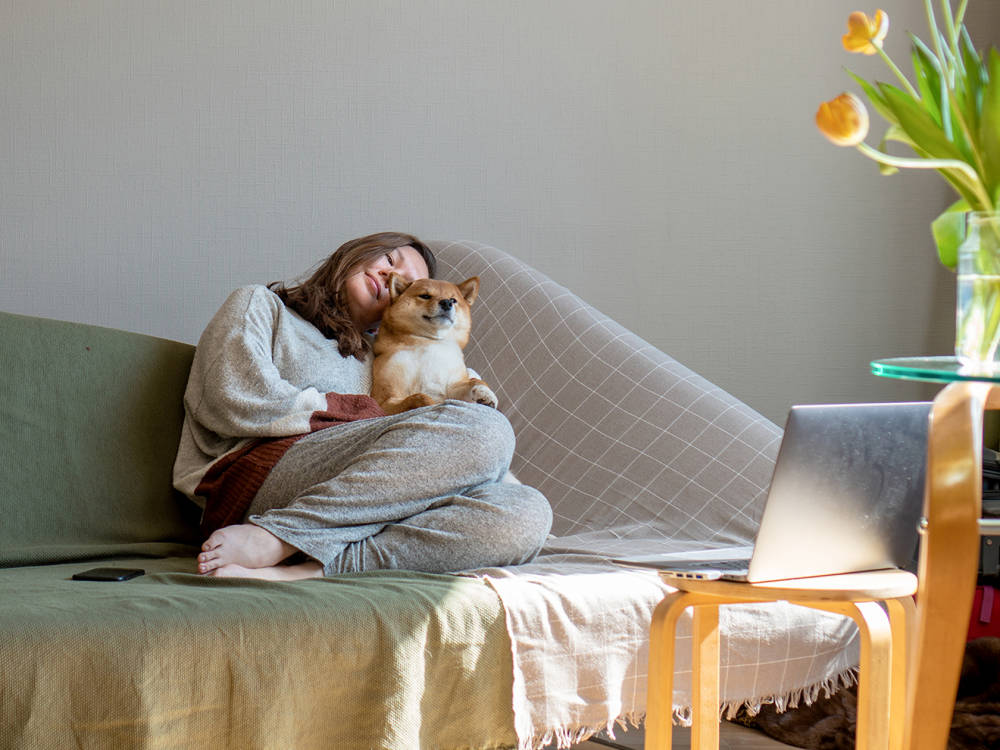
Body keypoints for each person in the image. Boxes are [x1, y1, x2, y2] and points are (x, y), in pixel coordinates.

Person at [172, 231, 552, 580]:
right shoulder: (263, 306)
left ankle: (313, 565)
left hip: (380, 494)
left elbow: (459, 421)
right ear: (356, 253)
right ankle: (280, 533)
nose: (390, 276)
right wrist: (369, 413)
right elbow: (231, 396)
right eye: (389, 259)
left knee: (528, 511)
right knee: (486, 430)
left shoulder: (394, 354)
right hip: (264, 473)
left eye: (403, 284)